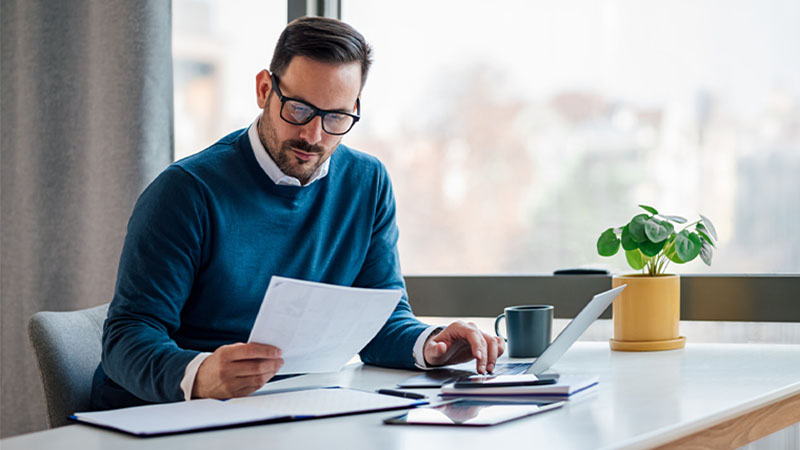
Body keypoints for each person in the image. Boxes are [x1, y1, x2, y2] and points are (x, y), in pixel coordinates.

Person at [92, 16, 504, 410]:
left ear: (354, 108)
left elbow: (381, 320)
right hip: (164, 416)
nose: (313, 135)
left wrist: (433, 344)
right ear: (264, 90)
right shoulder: (185, 192)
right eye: (300, 109)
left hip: (287, 408)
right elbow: (126, 339)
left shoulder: (367, 183)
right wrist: (201, 374)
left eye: (336, 117)